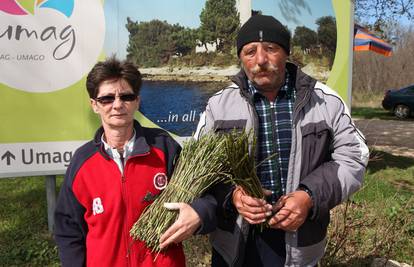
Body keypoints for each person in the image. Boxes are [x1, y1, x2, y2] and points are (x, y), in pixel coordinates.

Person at [159, 15, 369, 267]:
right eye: (250, 51)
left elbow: (354, 157)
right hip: (234, 242)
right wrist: (234, 196)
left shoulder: (325, 101)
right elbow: (201, 171)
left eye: (271, 49)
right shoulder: (219, 106)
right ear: (241, 58)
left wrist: (308, 196)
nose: (260, 60)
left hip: (300, 242)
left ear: (286, 53)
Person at [54, 57, 185, 267]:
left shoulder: (165, 148)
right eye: (106, 98)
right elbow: (68, 231)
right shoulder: (82, 163)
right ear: (94, 105)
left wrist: (199, 213)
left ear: (137, 101)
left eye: (126, 96)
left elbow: (202, 198)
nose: (117, 105)